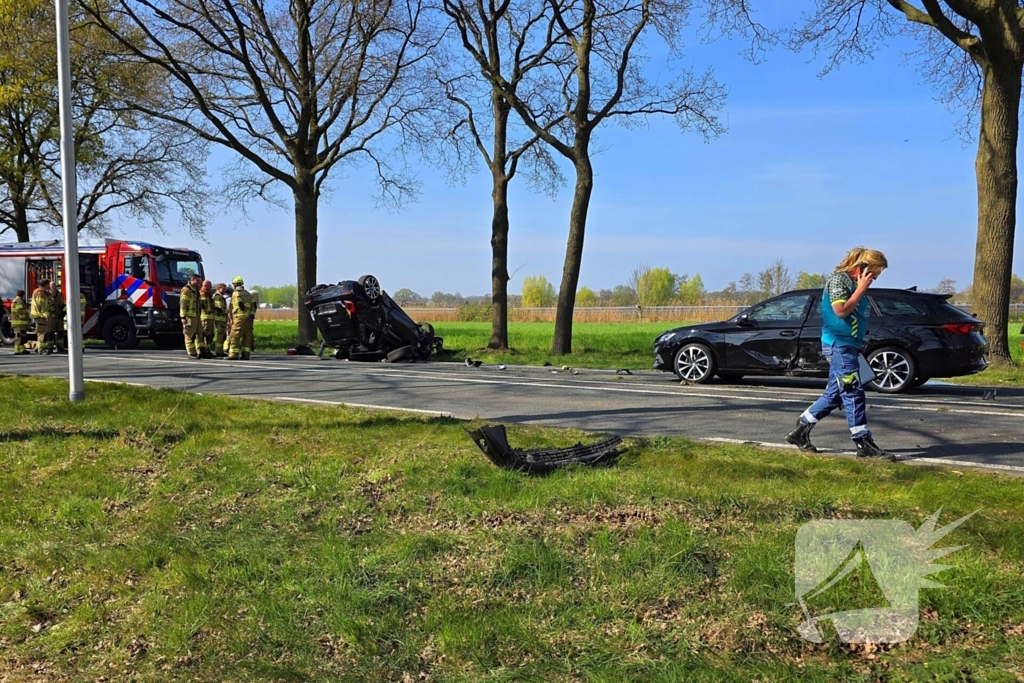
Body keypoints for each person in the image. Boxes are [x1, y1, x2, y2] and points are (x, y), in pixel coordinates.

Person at [786, 247, 892, 459]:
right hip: (839, 345)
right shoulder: (839, 281)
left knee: (835, 395)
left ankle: (800, 430)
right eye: (875, 273)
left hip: (848, 345)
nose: (876, 278)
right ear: (862, 268)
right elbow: (840, 311)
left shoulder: (852, 284)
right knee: (853, 391)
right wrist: (861, 289)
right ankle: (863, 443)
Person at [226, 276, 255, 360]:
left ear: (234, 284)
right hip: (249, 318)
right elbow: (254, 306)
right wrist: (251, 315)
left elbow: (239, 304)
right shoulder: (249, 294)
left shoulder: (235, 293)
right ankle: (246, 355)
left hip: (239, 317)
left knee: (235, 335)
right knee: (247, 336)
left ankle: (233, 355)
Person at [179, 273, 205, 359]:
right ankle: (191, 353)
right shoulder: (186, 290)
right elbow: (183, 304)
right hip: (189, 317)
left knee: (199, 334)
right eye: (197, 281)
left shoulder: (195, 290)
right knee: (189, 335)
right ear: (192, 280)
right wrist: (183, 317)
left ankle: (201, 351)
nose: (199, 283)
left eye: (200, 281)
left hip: (197, 316)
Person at [30, 279, 53, 354]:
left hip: (37, 315)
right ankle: (41, 349)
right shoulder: (41, 293)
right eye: (48, 284)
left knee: (40, 332)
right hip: (40, 315)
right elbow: (42, 306)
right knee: (42, 333)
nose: (49, 286)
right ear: (46, 285)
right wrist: (47, 315)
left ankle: (37, 347)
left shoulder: (37, 291)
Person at [9, 290, 31, 355]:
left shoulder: (16, 300)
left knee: (22, 336)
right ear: (22, 294)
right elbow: (19, 310)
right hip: (20, 322)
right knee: (19, 336)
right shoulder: (19, 300)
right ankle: (17, 350)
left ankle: (21, 349)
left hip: (19, 322)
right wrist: (25, 317)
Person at [198, 280, 216, 359]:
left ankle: (207, 349)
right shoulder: (202, 294)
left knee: (210, 335)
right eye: (209, 285)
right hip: (205, 317)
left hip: (210, 317)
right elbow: (202, 305)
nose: (211, 287)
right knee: (205, 334)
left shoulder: (208, 294)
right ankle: (202, 350)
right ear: (205, 285)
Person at [211, 283, 229, 358]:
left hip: (221, 319)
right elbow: (219, 308)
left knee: (222, 335)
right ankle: (218, 351)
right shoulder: (218, 297)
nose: (225, 290)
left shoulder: (220, 297)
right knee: (220, 335)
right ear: (219, 288)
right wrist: (226, 311)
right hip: (219, 319)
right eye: (223, 288)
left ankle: (220, 350)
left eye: (225, 288)